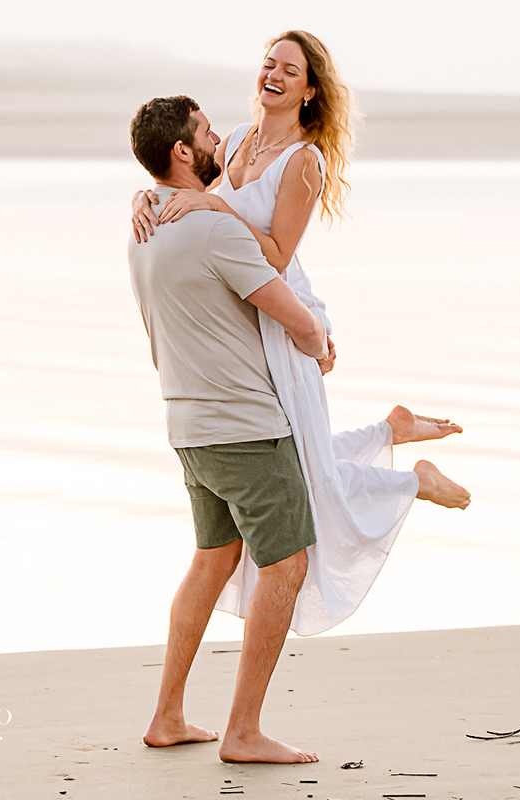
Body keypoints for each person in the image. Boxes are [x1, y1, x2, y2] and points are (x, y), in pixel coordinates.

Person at [131, 31, 470, 637]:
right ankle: (391, 430)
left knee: (310, 475)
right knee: (304, 460)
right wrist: (144, 194)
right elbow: (181, 179)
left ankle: (413, 481)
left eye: (291, 70)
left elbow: (277, 256)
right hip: (246, 321)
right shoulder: (231, 139)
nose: (276, 75)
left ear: (309, 90)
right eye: (269, 64)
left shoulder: (303, 162)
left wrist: (216, 211)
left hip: (285, 320)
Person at [128, 94, 330, 763]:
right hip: (244, 427)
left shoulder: (144, 224)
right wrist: (320, 342)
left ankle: (168, 715)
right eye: (207, 134)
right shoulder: (217, 232)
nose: (220, 140)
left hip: (186, 423)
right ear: (183, 152)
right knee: (286, 565)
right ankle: (243, 730)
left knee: (213, 559)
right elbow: (290, 310)